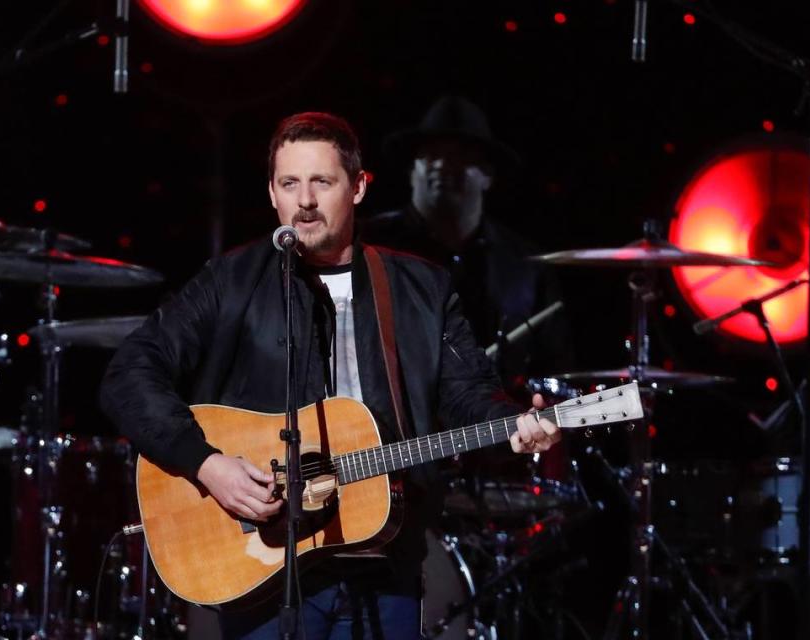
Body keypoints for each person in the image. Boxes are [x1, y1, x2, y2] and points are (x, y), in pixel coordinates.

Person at [100, 112, 559, 639]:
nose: (306, 200)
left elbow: (467, 393)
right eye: (290, 183)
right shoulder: (231, 281)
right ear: (272, 193)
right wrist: (205, 464)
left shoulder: (421, 289)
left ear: (359, 187)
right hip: (265, 566)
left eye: (322, 181)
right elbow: (129, 373)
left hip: (384, 563)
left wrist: (514, 424)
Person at [360, 96, 573, 384]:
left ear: (487, 176)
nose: (441, 164)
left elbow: (554, 370)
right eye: (430, 153)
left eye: (459, 155)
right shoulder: (367, 245)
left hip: (497, 422)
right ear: (412, 171)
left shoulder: (525, 265)